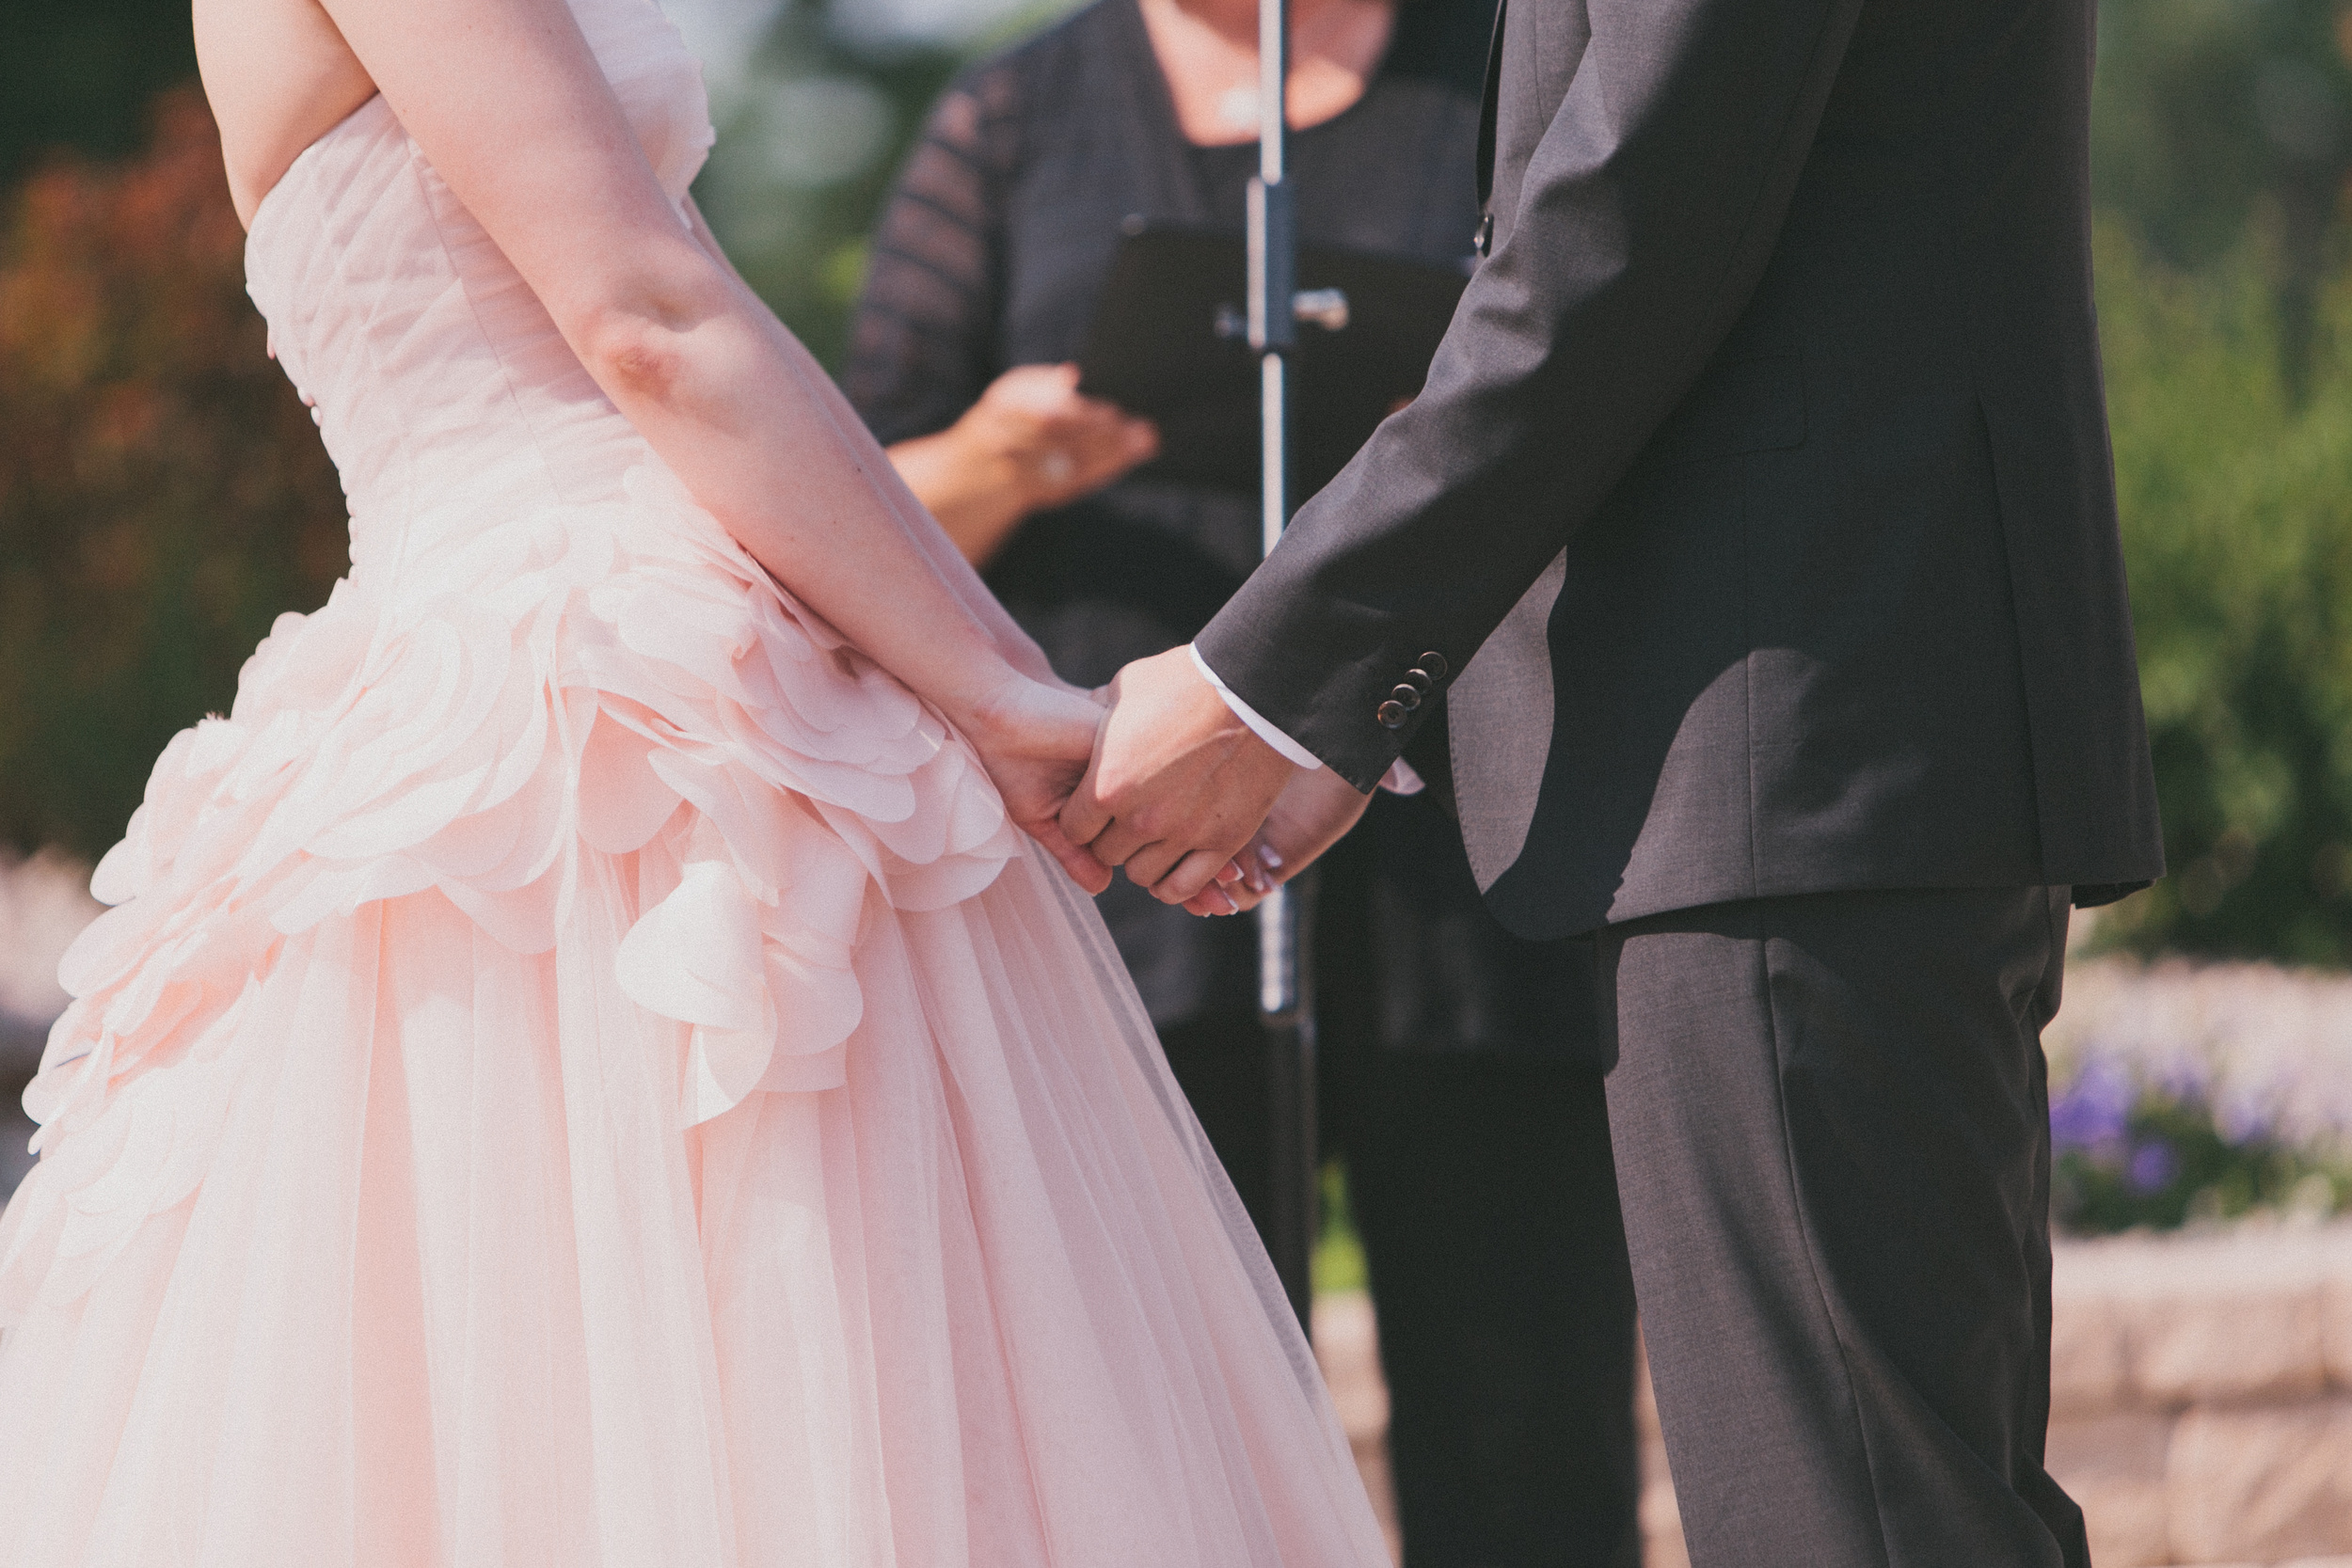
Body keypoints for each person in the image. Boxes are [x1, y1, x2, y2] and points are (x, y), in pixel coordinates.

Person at [0, 0, 1396, 1559]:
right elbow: (650, 318)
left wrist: (1003, 683)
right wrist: (1002, 704)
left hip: (701, 643)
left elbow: (708, 319)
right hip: (569, 726)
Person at [1064, 0, 2169, 1564]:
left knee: (1844, 1521)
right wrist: (1373, 710)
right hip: (1815, 744)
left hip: (1793, 742)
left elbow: (1624, 228)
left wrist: (1269, 685)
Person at [842, 2, 1641, 1563]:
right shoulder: (1014, 121)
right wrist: (1009, 456)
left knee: (1528, 1443)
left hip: (1478, 883)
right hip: (1135, 895)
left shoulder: (1496, 69)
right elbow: (856, 515)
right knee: (1163, 1454)